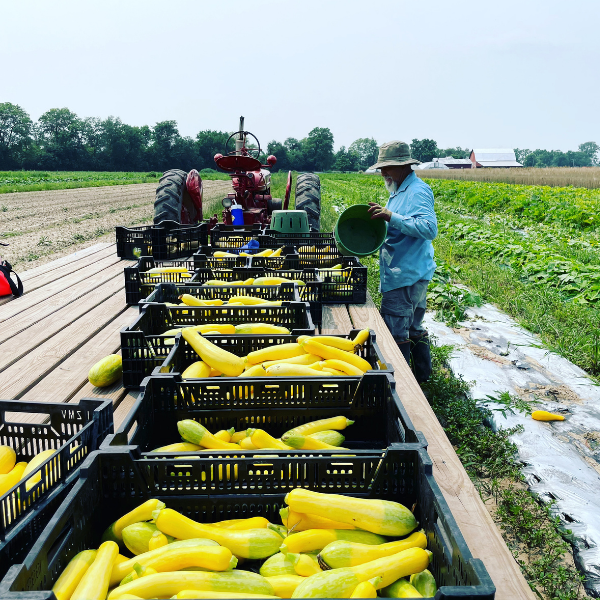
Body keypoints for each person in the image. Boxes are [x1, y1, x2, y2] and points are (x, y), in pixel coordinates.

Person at [367, 140, 437, 382]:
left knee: (396, 330)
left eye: (387, 167)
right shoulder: (398, 190)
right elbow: (398, 222)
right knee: (413, 327)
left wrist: (391, 216)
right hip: (407, 271)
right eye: (381, 167)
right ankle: (423, 380)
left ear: (404, 166)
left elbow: (429, 228)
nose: (383, 172)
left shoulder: (417, 191)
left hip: (406, 273)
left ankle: (404, 387)